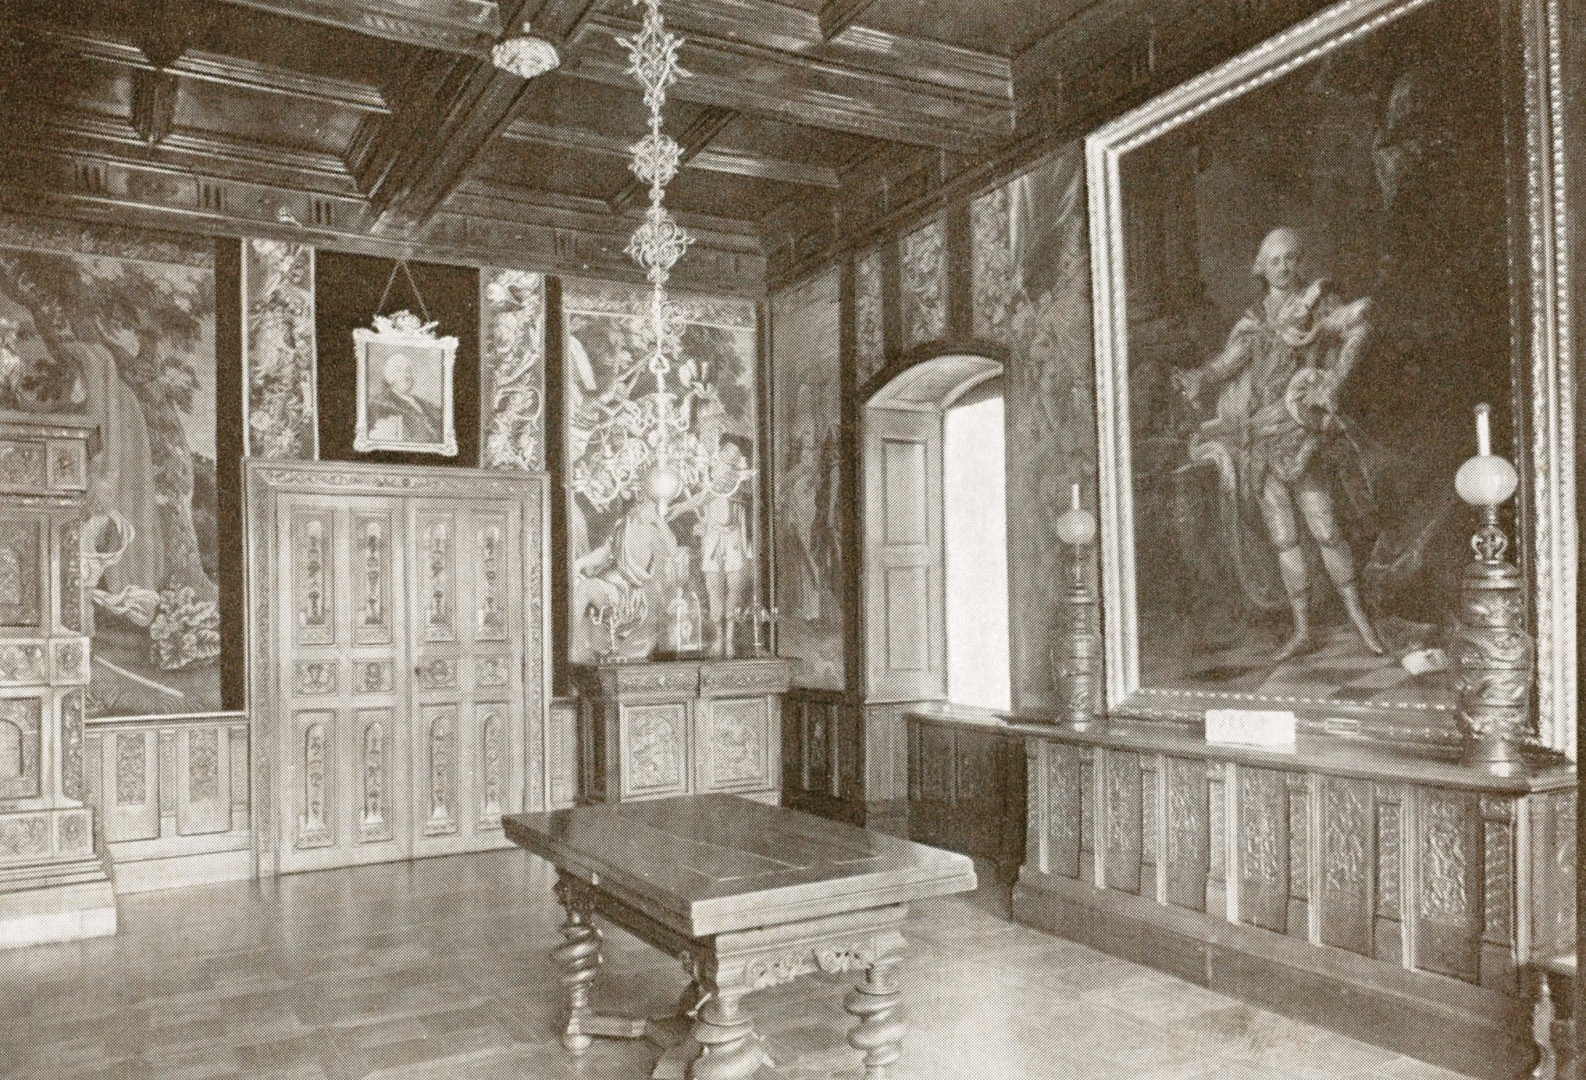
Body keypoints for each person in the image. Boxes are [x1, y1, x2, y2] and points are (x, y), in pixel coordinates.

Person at [1174, 227, 1385, 662]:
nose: (1285, 267)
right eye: (1275, 261)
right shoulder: (1253, 320)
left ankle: (1360, 620)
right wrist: (1198, 378)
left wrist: (1334, 382)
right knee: (1285, 538)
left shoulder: (1318, 305)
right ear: (1261, 268)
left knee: (1325, 529)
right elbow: (1226, 365)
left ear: (1300, 262)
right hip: (1262, 438)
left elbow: (1360, 328)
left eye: (1291, 258)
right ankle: (1302, 629)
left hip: (1301, 430)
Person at [367, 351, 442, 444]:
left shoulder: (424, 403)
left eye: (408, 371)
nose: (406, 375)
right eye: (399, 370)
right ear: (389, 375)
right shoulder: (380, 403)